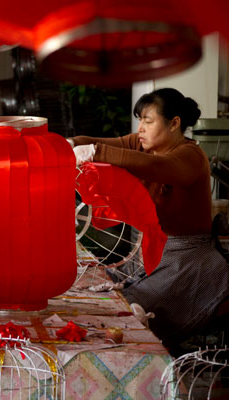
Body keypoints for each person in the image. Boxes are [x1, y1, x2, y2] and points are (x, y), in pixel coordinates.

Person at [70, 88, 229, 347]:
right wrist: (70, 144)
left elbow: (157, 168)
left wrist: (94, 152)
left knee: (131, 315)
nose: (140, 128)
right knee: (113, 302)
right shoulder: (143, 144)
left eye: (148, 120)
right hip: (158, 248)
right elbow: (99, 142)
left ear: (174, 123)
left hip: (189, 259)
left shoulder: (190, 155)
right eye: (140, 120)